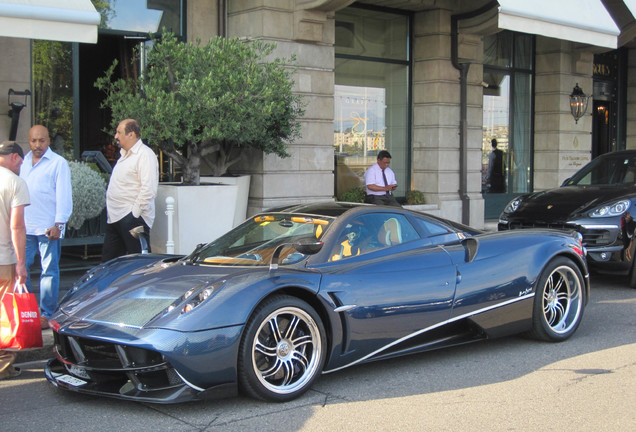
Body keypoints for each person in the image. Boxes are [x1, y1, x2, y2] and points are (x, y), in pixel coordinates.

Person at [20, 125, 73, 330]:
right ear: (29, 141)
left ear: (48, 141)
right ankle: (27, 312)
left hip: (48, 228)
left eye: (41, 140)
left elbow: (64, 196)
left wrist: (59, 224)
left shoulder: (58, 163)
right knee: (21, 270)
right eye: (34, 141)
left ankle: (46, 314)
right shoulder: (23, 162)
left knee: (49, 271)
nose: (37, 145)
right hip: (25, 227)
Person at [102, 119, 158, 262]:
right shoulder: (124, 155)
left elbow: (149, 189)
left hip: (132, 219)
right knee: (110, 264)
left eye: (119, 132)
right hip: (115, 218)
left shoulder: (145, 154)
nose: (115, 136)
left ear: (131, 134)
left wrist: (134, 214)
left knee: (140, 265)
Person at [0, 141, 30, 380]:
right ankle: (3, 367)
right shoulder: (15, 182)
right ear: (14, 158)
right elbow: (17, 226)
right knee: (6, 314)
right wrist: (21, 262)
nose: (21, 164)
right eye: (20, 160)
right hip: (3, 258)